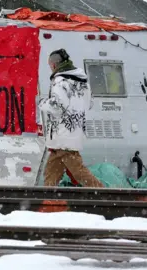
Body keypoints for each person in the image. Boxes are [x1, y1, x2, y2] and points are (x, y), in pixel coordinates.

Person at [38, 48, 103, 188]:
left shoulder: (60, 81)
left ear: (54, 65)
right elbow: (89, 103)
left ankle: (105, 195)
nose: (50, 68)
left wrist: (42, 103)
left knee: (78, 172)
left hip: (63, 135)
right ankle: (47, 201)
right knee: (51, 173)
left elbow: (57, 106)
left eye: (50, 65)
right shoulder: (82, 81)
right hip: (71, 133)